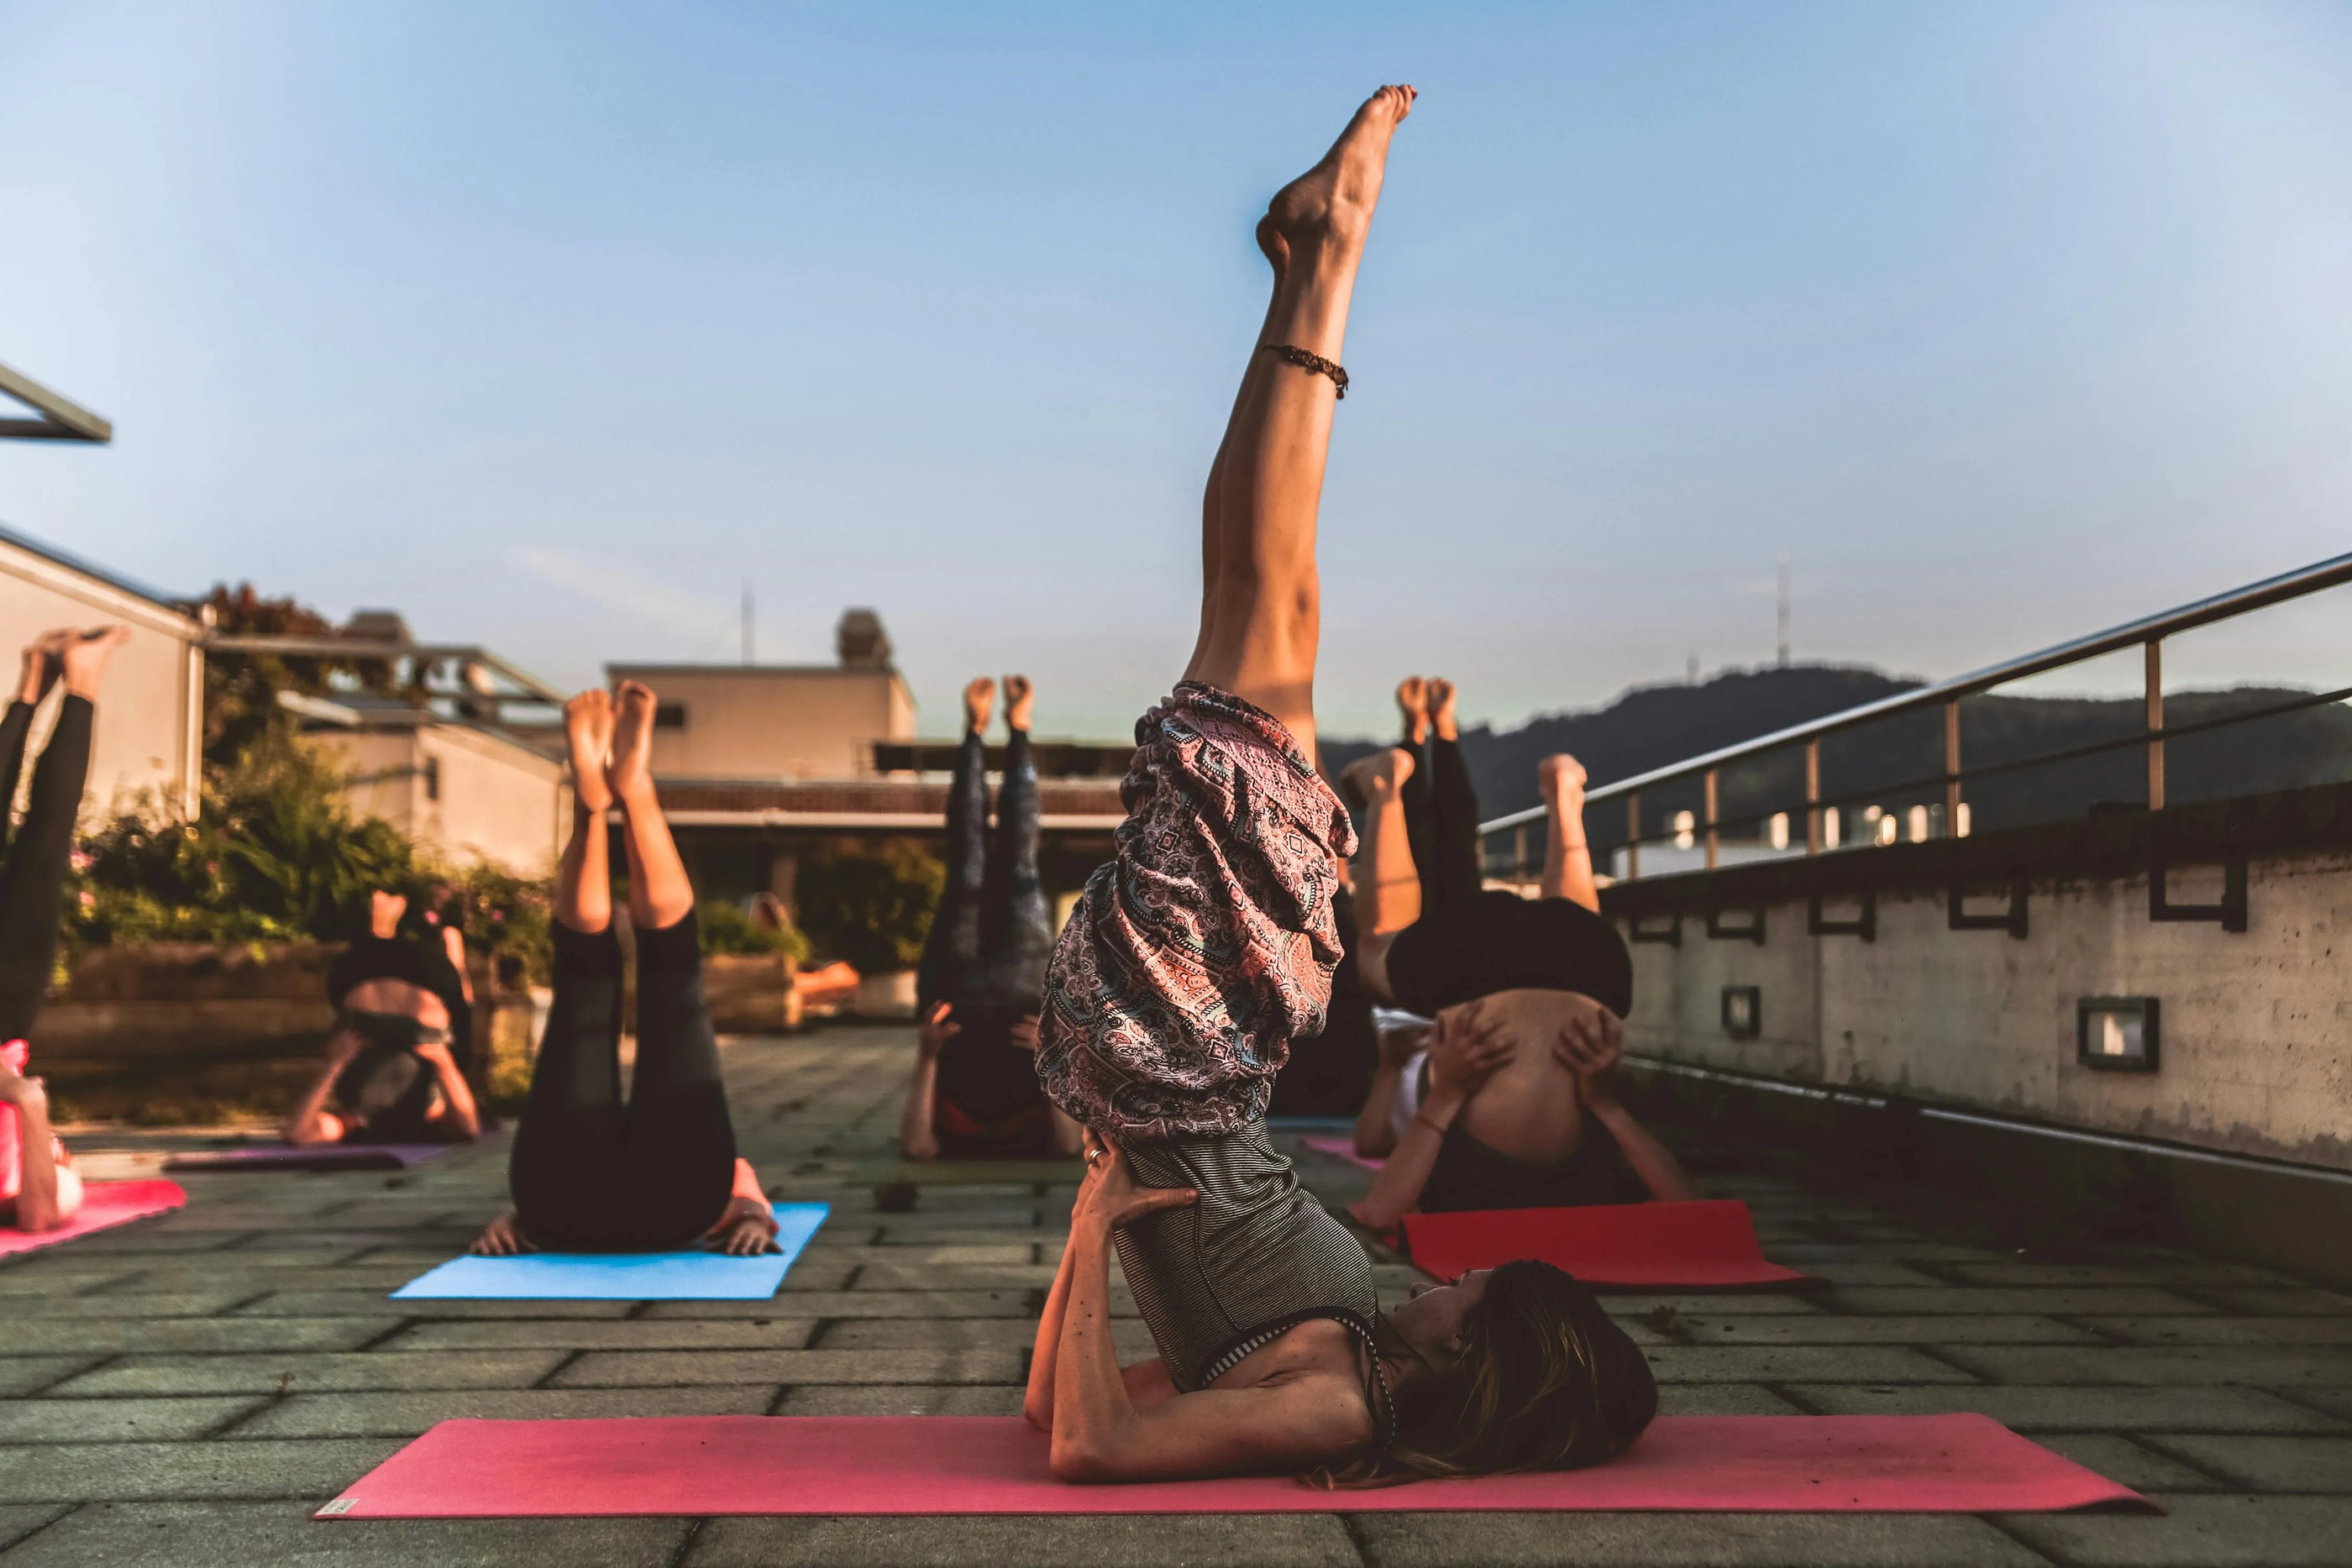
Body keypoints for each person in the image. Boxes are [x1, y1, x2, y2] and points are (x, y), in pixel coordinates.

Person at [1024, 87, 1656, 1487]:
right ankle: (1318, 259)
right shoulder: (1358, 1342)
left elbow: (1080, 1444)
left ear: (1475, 1358)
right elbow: (1054, 1403)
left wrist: (1096, 1209)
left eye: (1475, 1293)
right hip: (1207, 1057)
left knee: (1259, 623)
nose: (1460, 1272)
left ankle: (1327, 256)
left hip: (1169, 1054)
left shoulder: (1337, 1406)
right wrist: (1103, 1209)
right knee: (1277, 621)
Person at [1341, 728, 1695, 1228]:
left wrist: (1446, 1094)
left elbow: (1379, 1205)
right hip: (1475, 986)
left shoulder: (1583, 1171)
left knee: (1570, 932)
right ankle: (1385, 788)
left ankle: (1564, 797)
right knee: (1379, 944)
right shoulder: (1465, 1174)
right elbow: (1378, 1215)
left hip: (1587, 975)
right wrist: (1604, 1101)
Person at [470, 683, 776, 1257]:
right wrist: (756, 1216)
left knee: (671, 974)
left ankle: (626, 796)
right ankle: (611, 799)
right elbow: (746, 1187)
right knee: (583, 982)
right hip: (562, 1203)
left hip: (610, 1206)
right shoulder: (550, 1197)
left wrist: (751, 1203)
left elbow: (740, 1175)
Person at [900, 674, 1082, 1161]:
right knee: (1016, 859)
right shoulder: (1037, 1132)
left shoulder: (951, 1130)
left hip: (953, 992)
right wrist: (1051, 1057)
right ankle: (1016, 731)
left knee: (970, 858)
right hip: (1022, 991)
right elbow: (1069, 1147)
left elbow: (918, 1148)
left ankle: (976, 734)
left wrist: (926, 1057)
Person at [0, 627, 130, 1231]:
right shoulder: (44, 1181)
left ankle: (42, 684)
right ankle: (69, 681)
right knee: (43, 846)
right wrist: (28, 1101)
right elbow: (41, 1214)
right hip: (6, 1013)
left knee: (44, 844)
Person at [283, 888, 481, 1147]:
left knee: (454, 1009)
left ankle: (436, 955)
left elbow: (297, 1134)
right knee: (453, 1015)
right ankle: (395, 937)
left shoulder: (352, 1122)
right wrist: (444, 1063)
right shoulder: (428, 1117)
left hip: (410, 1024)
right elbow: (468, 1129)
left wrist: (335, 1065)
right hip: (412, 1031)